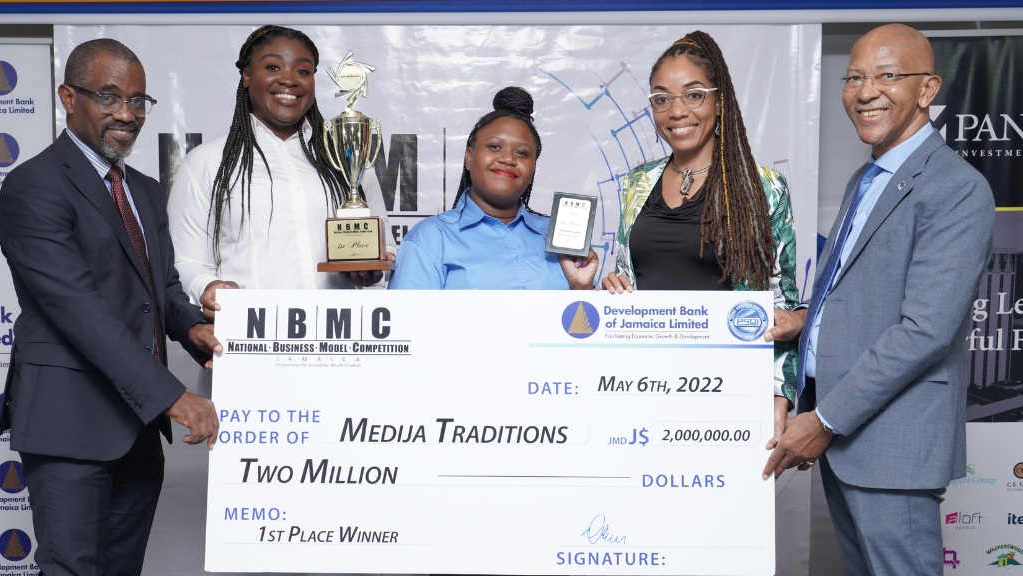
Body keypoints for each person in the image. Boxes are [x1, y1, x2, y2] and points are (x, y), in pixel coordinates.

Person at [763, 24, 994, 575]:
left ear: (928, 88)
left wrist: (825, 420)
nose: (866, 92)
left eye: (888, 76)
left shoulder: (956, 187)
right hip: (846, 440)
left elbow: (926, 330)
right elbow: (854, 296)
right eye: (855, 78)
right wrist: (802, 321)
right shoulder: (867, 179)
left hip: (890, 444)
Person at [0, 38, 222, 575]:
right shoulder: (33, 187)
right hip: (68, 425)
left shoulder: (143, 190)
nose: (128, 114)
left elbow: (160, 289)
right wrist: (174, 397)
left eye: (140, 101)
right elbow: (80, 312)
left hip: (136, 430)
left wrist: (195, 329)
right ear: (67, 98)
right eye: (109, 97)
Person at [598, 31, 800, 437]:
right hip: (641, 388)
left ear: (719, 100)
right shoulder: (636, 184)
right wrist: (612, 292)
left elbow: (783, 308)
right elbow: (627, 277)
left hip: (728, 391)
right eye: (661, 98)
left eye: (693, 95)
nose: (676, 111)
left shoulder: (763, 188)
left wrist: (780, 396)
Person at [169, 25, 392, 319]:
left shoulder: (344, 158)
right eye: (273, 67)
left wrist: (373, 271)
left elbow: (383, 247)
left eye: (303, 71)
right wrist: (207, 286)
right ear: (247, 75)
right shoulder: (206, 162)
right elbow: (185, 262)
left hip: (339, 341)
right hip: (251, 341)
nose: (289, 80)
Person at [388, 86, 597, 290]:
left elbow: (583, 324)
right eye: (494, 147)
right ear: (469, 158)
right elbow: (407, 323)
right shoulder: (430, 238)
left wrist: (582, 288)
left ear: (534, 168)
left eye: (522, 153)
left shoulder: (559, 236)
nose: (508, 159)